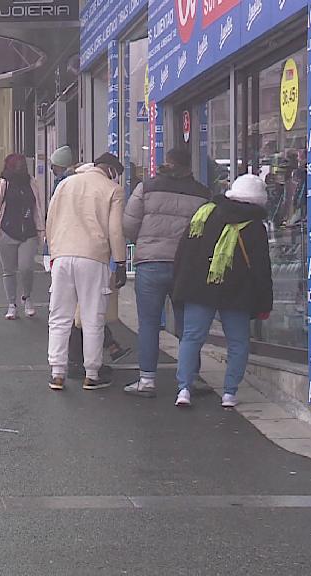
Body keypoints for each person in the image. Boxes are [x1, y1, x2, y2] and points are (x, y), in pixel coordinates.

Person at [171, 174, 273, 408]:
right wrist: (264, 303)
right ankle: (229, 393)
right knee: (238, 342)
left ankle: (184, 389)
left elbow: (185, 251)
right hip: (237, 293)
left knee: (191, 338)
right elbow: (261, 268)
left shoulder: (205, 214)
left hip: (199, 287)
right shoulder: (255, 226)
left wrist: (178, 283)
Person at [121, 147, 211, 398]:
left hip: (150, 263)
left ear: (167, 163)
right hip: (186, 266)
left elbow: (129, 223)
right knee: (187, 324)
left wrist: (144, 242)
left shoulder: (147, 187)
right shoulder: (202, 193)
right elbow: (207, 230)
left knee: (149, 323)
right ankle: (190, 378)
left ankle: (147, 381)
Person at [46, 153, 127, 391]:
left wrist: (53, 251)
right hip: (93, 257)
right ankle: (92, 373)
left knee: (59, 316)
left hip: (61, 256)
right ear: (110, 170)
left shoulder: (66, 183)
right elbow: (115, 230)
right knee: (92, 317)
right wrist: (120, 262)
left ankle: (57, 372)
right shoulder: (113, 190)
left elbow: (51, 219)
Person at [0, 154, 45, 320]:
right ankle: (11, 304)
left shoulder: (32, 183)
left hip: (28, 232)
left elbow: (38, 208)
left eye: (23, 165)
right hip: (6, 232)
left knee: (26, 267)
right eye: (17, 165)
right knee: (9, 271)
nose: (21, 168)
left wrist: (41, 230)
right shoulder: (3, 184)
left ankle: (27, 297)